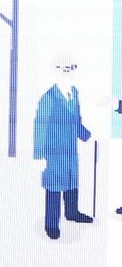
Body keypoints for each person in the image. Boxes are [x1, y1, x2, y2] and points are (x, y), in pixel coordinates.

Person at [33, 53, 94, 239]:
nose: (68, 73)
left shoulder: (75, 93)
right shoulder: (48, 97)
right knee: (54, 187)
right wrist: (39, 156)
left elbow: (77, 122)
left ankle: (72, 212)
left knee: (72, 183)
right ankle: (51, 224)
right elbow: (39, 127)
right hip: (53, 152)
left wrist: (88, 136)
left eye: (71, 69)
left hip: (70, 150)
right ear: (55, 71)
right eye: (64, 69)